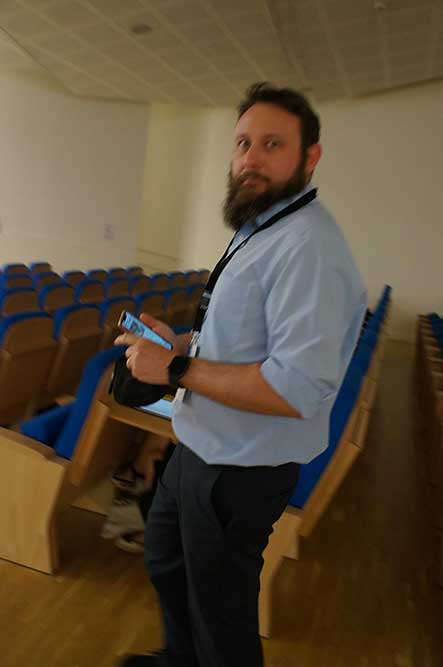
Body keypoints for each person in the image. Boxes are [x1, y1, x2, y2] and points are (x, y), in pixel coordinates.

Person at [115, 82, 367, 667]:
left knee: (220, 617)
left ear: (310, 157)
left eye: (272, 144)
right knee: (167, 561)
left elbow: (294, 388)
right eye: (243, 143)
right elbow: (240, 338)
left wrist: (175, 367)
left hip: (239, 472)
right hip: (198, 448)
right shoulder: (261, 226)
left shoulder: (309, 249)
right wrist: (181, 342)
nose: (251, 158)